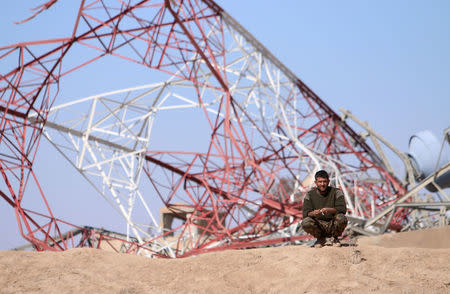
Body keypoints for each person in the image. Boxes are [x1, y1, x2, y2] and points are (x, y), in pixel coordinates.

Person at [302, 170, 348, 248]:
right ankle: (320, 238)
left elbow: (342, 209)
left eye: (325, 181)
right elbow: (305, 213)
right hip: (318, 224)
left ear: (328, 181)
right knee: (305, 222)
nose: (322, 184)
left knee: (342, 218)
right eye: (320, 182)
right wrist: (313, 213)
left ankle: (334, 238)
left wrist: (329, 210)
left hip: (332, 223)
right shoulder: (309, 195)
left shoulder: (336, 192)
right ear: (315, 182)